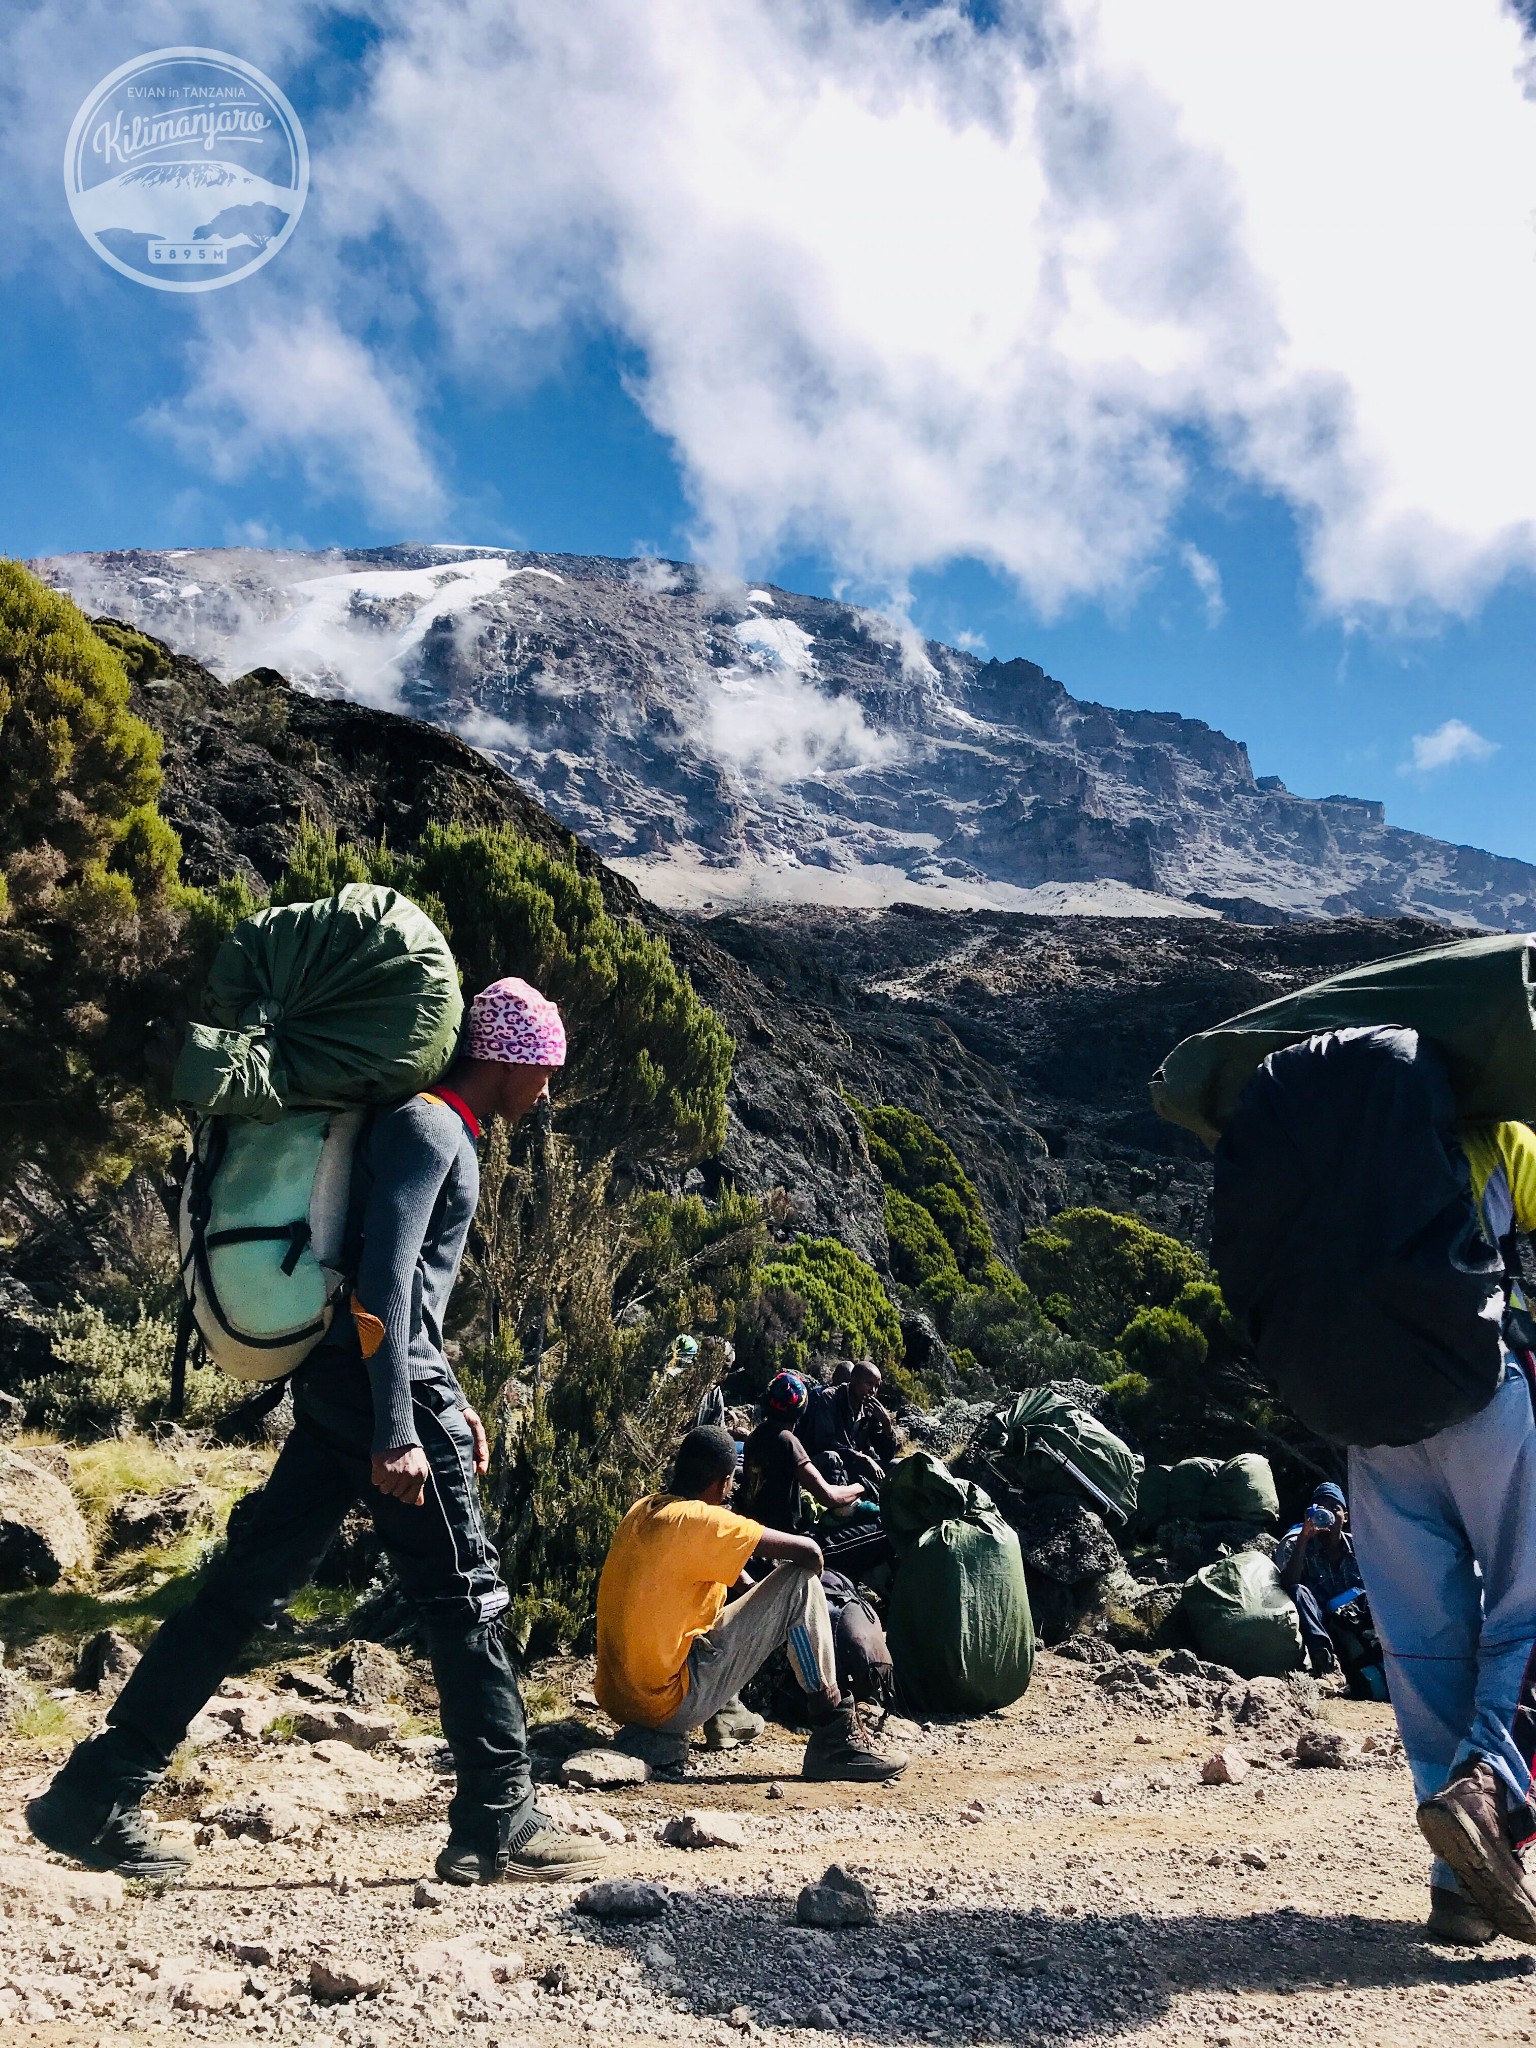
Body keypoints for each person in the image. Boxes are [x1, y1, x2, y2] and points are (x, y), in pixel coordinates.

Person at [28, 978, 604, 1889]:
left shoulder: (427, 1125)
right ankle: (499, 1817)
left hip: (351, 1392)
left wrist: (455, 1397)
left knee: (241, 1593)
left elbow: (409, 1301)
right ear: (506, 1057)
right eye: (545, 1069)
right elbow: (381, 1287)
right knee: (467, 1601)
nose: (547, 1091)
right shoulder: (430, 1129)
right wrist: (403, 1429)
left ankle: (93, 1794)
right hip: (382, 1399)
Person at [1351, 1116, 1536, 1948]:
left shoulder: (1336, 1138)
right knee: (1528, 1612)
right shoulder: (1501, 1135)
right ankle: (1494, 1786)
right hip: (1484, 1391)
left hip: (1367, 1413)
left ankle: (1458, 1887)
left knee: (1423, 1644)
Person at [594, 1424, 906, 1782]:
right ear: (723, 1481)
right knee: (798, 1583)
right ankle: (832, 1732)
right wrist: (787, 1607)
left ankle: (726, 1713)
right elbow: (810, 1553)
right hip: (666, 1704)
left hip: (618, 1696)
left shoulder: (644, 1509)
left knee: (703, 1609)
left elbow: (726, 1575)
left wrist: (756, 1597)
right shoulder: (704, 1519)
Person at [1275, 1482, 1385, 1698]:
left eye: (1334, 1508)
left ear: (1346, 1516)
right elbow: (1288, 1583)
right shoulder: (1295, 1543)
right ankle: (1327, 1667)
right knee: (1299, 1591)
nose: (1328, 1515)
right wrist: (1304, 1540)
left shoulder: (1360, 1547)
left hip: (1355, 1623)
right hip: (1318, 1623)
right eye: (1321, 1508)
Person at [737, 1371, 864, 1533]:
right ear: (801, 1409)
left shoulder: (756, 1435)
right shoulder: (787, 1441)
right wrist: (860, 1487)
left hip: (756, 1527)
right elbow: (829, 1496)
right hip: (785, 1532)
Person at [799, 1360, 900, 1490]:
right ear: (853, 1380)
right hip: (824, 1464)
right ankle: (844, 1506)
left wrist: (887, 1426)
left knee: (897, 1465)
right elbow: (825, 1442)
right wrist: (861, 1457)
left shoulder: (869, 1408)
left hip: (852, 1465)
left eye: (876, 1386)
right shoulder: (830, 1398)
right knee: (832, 1458)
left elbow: (886, 1455)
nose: (873, 1391)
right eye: (869, 1384)